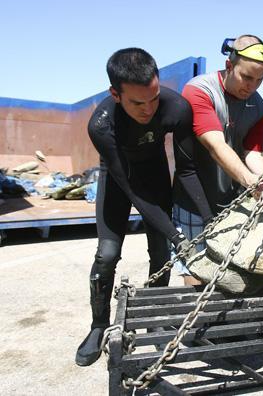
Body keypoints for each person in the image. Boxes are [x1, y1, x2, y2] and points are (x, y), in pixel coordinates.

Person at [76, 48, 198, 366]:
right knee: (107, 254)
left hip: (156, 174)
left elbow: (186, 171)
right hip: (120, 181)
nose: (148, 110)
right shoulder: (101, 125)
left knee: (160, 254)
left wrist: (208, 220)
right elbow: (132, 190)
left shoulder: (177, 108)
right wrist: (177, 235)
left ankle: (154, 316)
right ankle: (98, 326)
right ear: (115, 94)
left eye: (154, 98)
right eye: (137, 103)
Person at [178, 35, 263, 284]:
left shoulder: (258, 106)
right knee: (196, 271)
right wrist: (251, 180)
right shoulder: (200, 90)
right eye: (247, 77)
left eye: (260, 80)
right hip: (194, 198)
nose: (252, 86)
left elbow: (253, 153)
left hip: (229, 200)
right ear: (229, 66)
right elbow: (215, 145)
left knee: (227, 270)